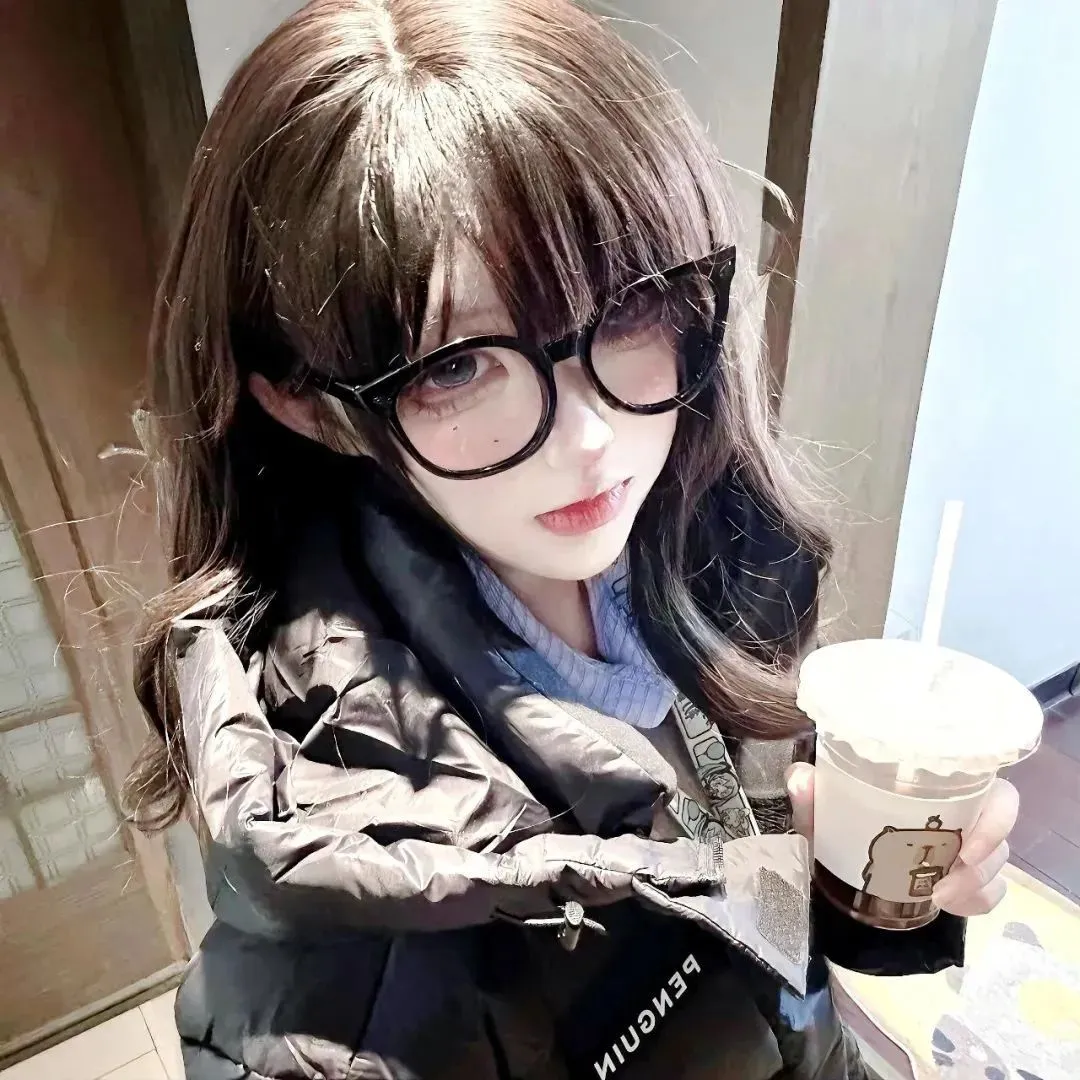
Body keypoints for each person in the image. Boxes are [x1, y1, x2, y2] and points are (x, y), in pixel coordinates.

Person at [126, 2, 1019, 1077]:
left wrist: (860, 897)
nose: (593, 441)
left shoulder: (697, 552)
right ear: (310, 405)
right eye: (457, 365)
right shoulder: (340, 1014)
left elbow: (716, 925)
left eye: (633, 308)